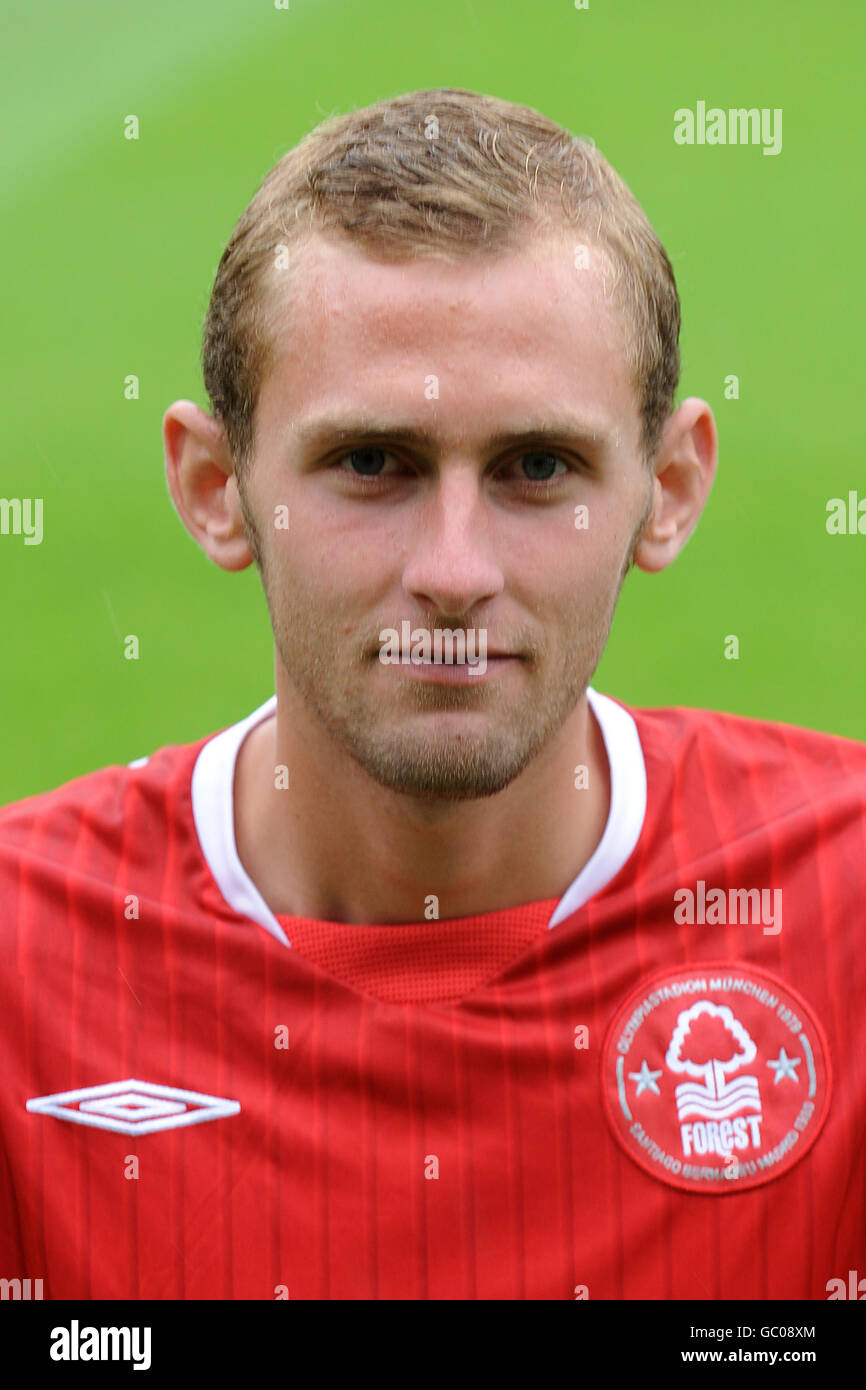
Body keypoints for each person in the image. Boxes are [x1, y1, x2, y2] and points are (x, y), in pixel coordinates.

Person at [1, 88, 862, 1301]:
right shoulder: (20, 964)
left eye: (535, 467)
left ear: (666, 488)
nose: (453, 572)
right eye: (371, 463)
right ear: (214, 485)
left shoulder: (844, 908)